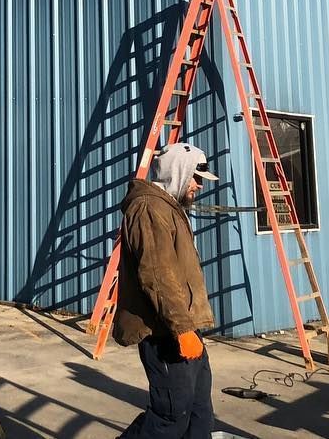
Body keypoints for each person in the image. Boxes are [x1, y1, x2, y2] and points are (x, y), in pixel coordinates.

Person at [114, 142, 220, 439]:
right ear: (178, 172)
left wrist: (189, 328)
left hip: (184, 328)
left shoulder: (169, 208)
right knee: (170, 418)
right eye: (196, 178)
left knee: (199, 414)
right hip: (165, 334)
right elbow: (157, 275)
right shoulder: (148, 208)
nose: (199, 186)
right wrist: (182, 330)